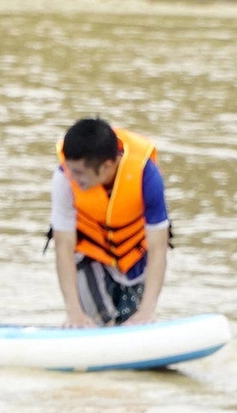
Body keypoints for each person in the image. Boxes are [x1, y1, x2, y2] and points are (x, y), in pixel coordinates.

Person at [48, 118, 170, 328]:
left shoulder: (147, 177)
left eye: (78, 173)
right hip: (89, 257)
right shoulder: (63, 180)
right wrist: (74, 312)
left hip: (133, 258)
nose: (72, 178)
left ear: (107, 166)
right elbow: (63, 245)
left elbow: (158, 247)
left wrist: (147, 311)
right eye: (69, 170)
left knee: (133, 321)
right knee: (96, 324)